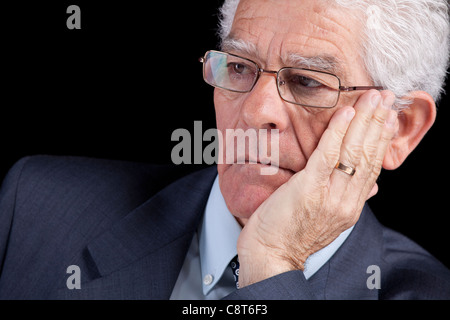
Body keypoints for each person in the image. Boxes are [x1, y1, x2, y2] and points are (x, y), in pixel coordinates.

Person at [0, 0, 449, 300]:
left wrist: (274, 261)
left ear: (399, 129)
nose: (255, 112)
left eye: (307, 81)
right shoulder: (34, 206)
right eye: (238, 67)